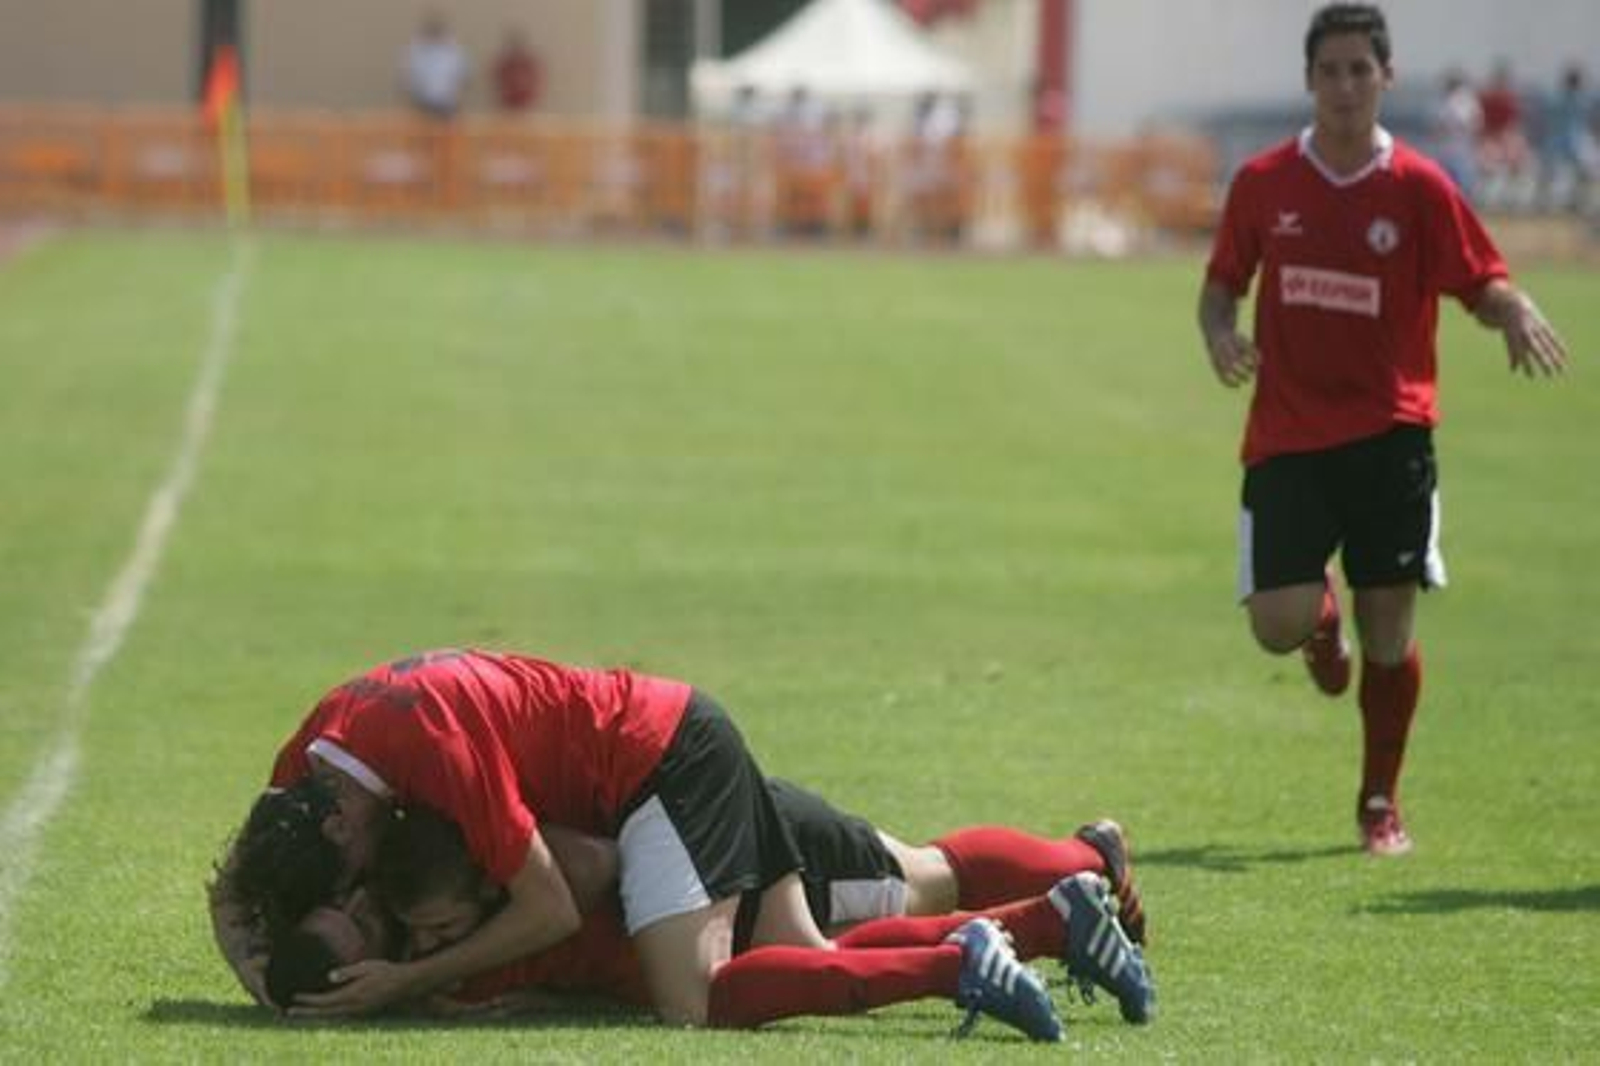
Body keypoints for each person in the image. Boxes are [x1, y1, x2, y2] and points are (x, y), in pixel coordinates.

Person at [207, 649, 1147, 1039]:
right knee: (877, 898)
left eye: (355, 889)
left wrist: (408, 983)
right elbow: (236, 889)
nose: (364, 893)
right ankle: (1068, 888)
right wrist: (253, 963)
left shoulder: (433, 761)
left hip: (663, 777)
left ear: (343, 823)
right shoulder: (318, 768)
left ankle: (1050, 902)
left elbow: (563, 892)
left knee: (701, 996)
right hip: (661, 785)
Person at [1196, 4, 1570, 856]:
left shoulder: (1421, 188)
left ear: (1387, 79)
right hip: (1288, 433)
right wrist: (1221, 333)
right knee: (1277, 625)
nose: (1344, 87)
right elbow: (1220, 285)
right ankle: (1320, 624)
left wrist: (1515, 312)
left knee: (1392, 630)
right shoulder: (1263, 182)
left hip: (1393, 434)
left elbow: (1483, 280)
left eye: (1361, 70)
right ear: (1308, 81)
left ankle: (1378, 804)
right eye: (1329, 71)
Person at [269, 797, 1154, 1032]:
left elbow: (584, 877)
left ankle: (1086, 863)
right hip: (712, 855)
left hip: (734, 841)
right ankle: (1054, 907)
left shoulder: (495, 880)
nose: (415, 941)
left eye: (402, 934)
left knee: (924, 877)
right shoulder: (430, 901)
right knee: (889, 902)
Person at [404, 12, 468, 120]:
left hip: (448, 104)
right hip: (422, 104)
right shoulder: (415, 50)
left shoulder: (454, 50)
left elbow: (463, 76)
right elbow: (408, 78)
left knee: (448, 134)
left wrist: (457, 95)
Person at [491, 28, 542, 114]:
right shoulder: (505, 64)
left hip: (526, 106)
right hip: (507, 107)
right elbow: (497, 81)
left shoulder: (528, 64)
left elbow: (536, 81)